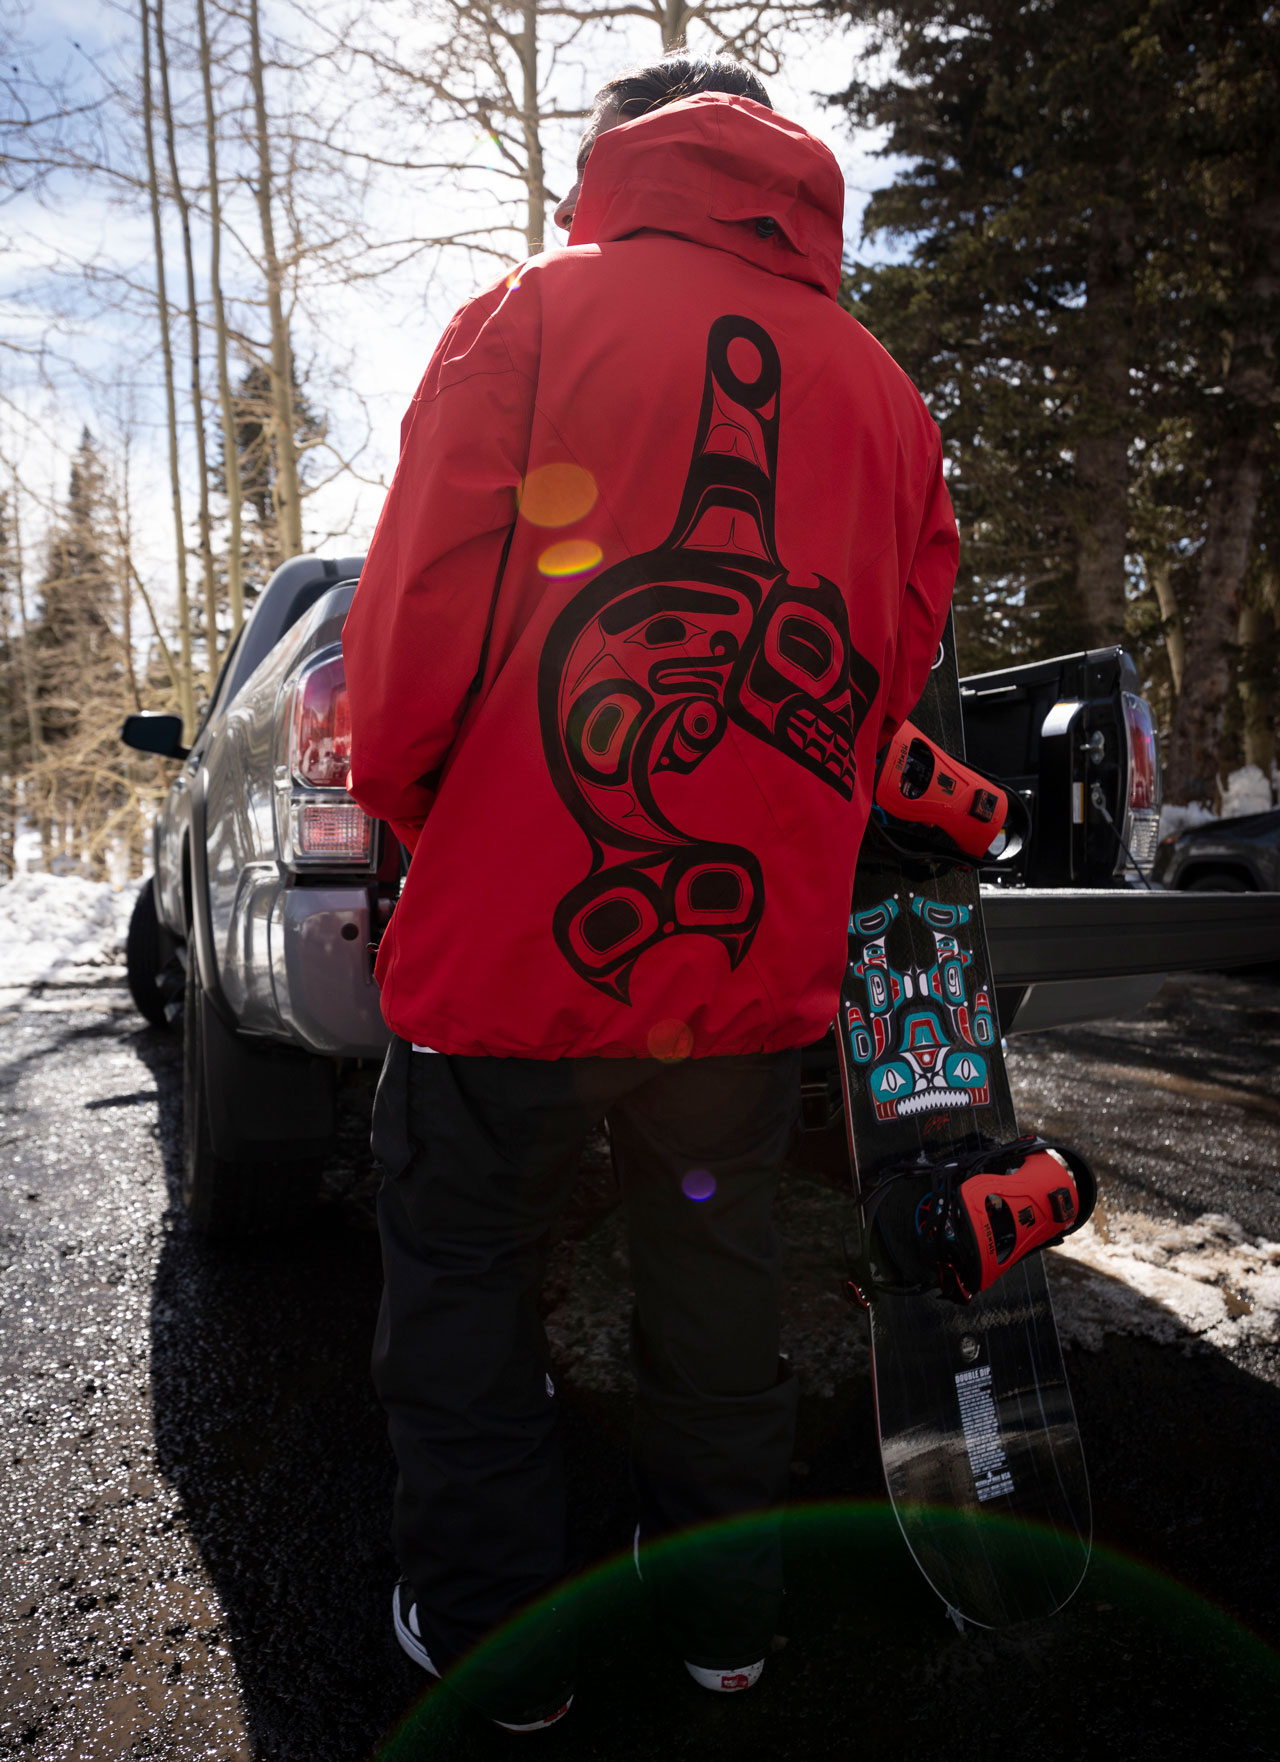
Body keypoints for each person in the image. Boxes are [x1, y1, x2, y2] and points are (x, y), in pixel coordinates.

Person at [343, 51, 958, 1733]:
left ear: (623, 151)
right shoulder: (895, 406)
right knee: (717, 1272)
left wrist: (425, 805)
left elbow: (408, 645)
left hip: (510, 945)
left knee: (464, 1265)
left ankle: (491, 1639)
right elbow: (880, 699)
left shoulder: (534, 314)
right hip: (744, 969)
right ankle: (723, 1621)